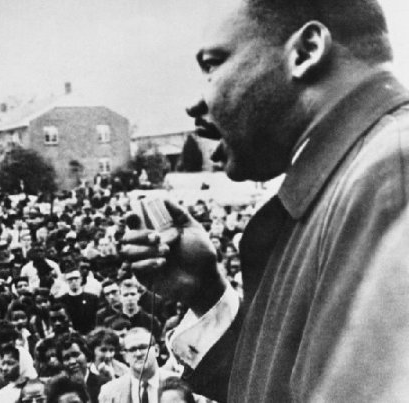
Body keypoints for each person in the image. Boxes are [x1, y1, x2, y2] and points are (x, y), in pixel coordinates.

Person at [122, 0, 409, 401]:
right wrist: (205, 291)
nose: (195, 103)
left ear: (306, 51)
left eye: (212, 64)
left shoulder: (392, 177)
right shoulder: (357, 178)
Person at [98, 327, 169, 403]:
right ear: (125, 356)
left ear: (156, 350)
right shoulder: (109, 392)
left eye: (143, 347)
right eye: (132, 349)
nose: (138, 354)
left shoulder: (178, 383)